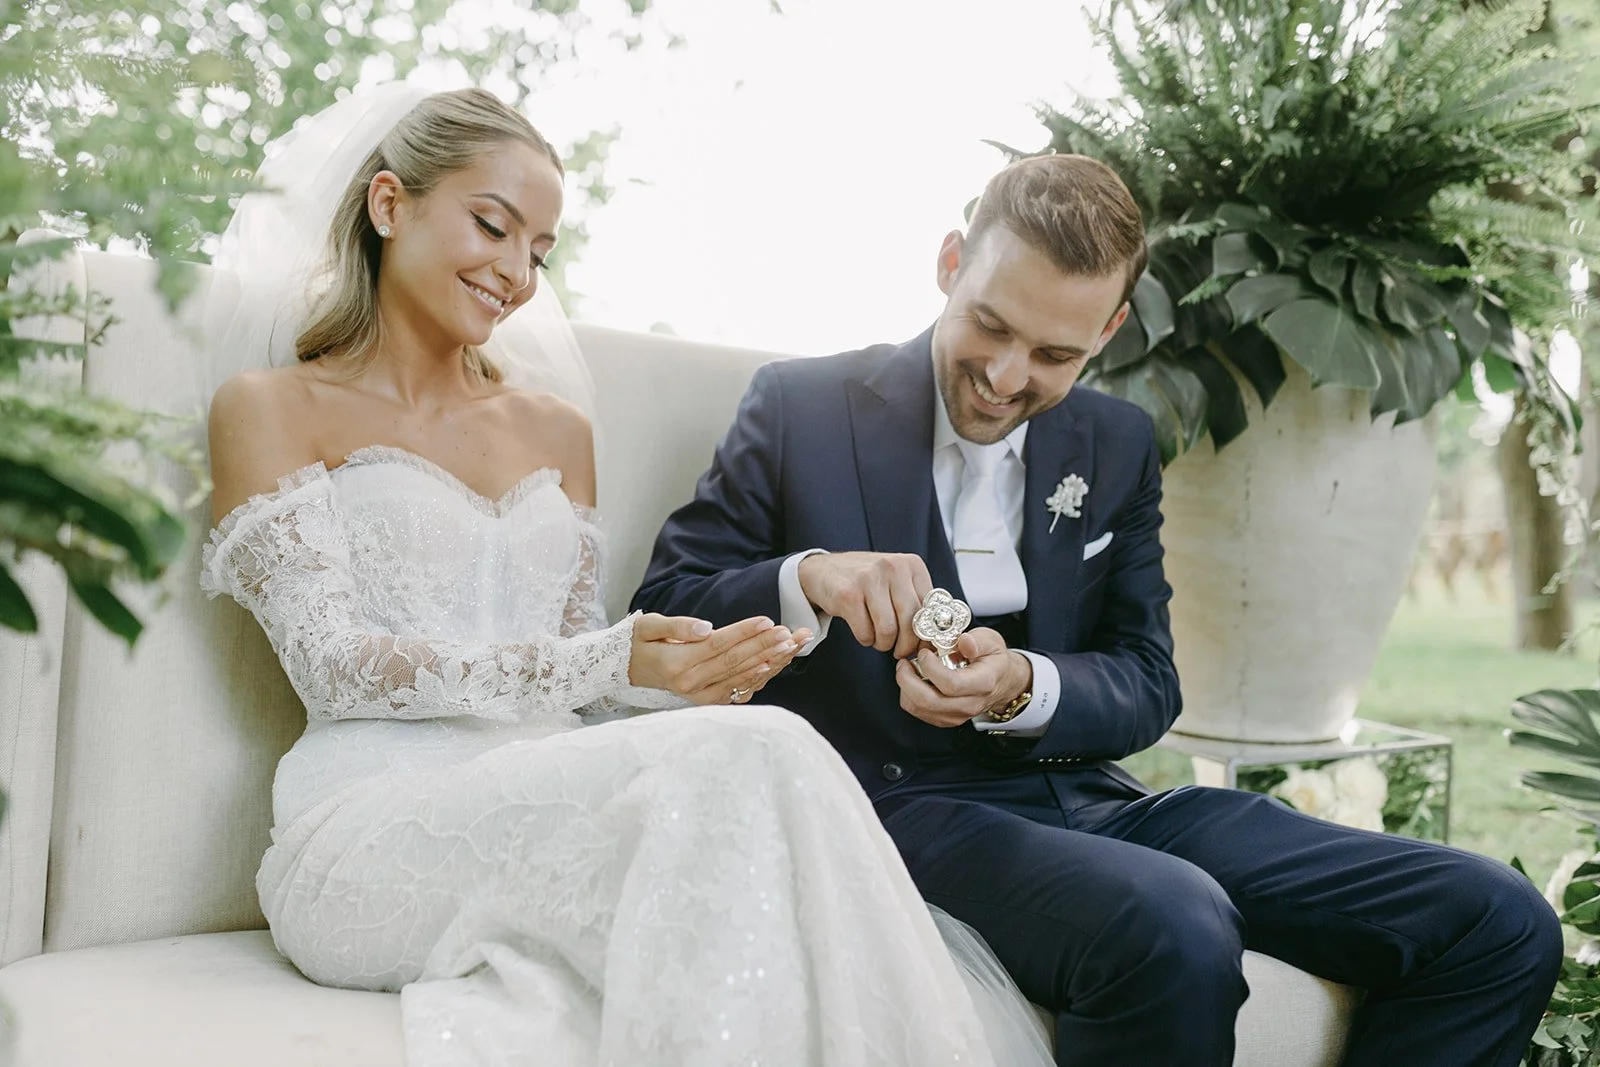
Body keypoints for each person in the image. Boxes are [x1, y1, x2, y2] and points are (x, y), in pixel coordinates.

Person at [631, 152, 1565, 1066]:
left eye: (1054, 354)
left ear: (1110, 328)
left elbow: (1149, 679)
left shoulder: (1116, 442)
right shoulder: (801, 406)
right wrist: (812, 576)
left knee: (1498, 918)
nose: (1006, 377)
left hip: (1100, 801)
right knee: (1172, 924)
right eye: (990, 325)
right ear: (951, 263)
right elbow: (666, 603)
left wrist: (1021, 686)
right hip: (895, 805)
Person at [200, 83, 1052, 1067]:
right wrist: (612, 661)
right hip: (368, 828)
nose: (516, 273)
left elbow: (584, 676)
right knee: (756, 759)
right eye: (493, 226)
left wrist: (688, 672)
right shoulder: (270, 405)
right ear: (389, 205)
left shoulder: (555, 429)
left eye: (539, 251)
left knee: (769, 743)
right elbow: (332, 665)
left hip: (553, 797)